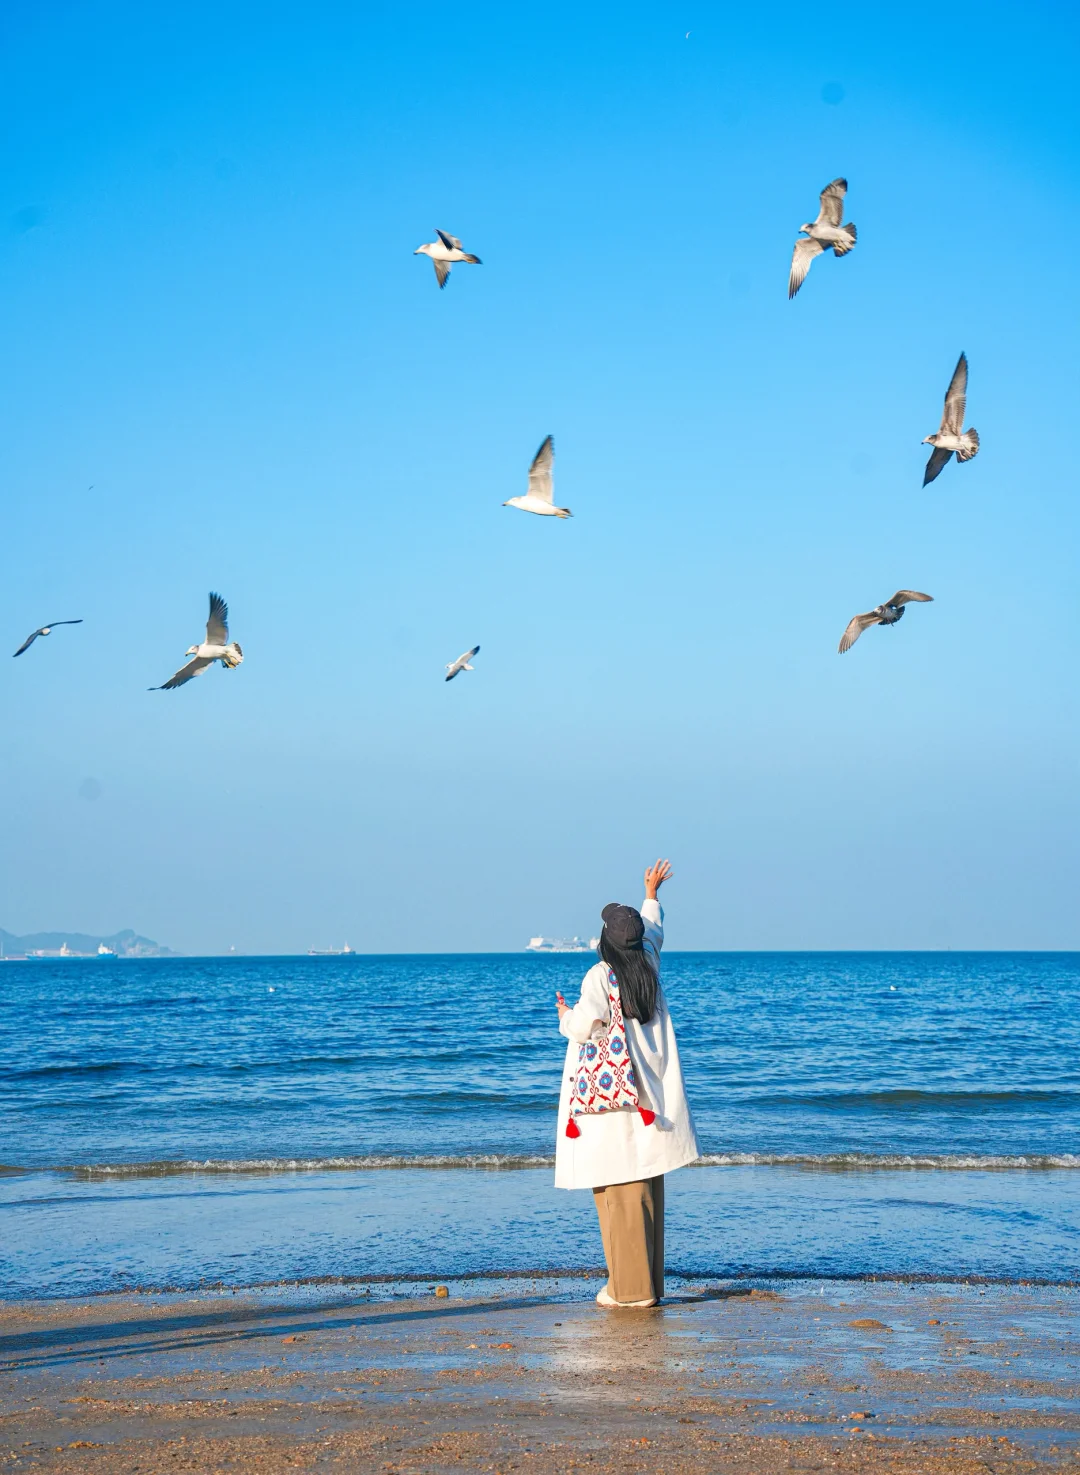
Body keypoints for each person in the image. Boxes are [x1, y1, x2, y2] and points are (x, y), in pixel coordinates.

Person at [554, 859, 699, 1308]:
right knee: (645, 1189)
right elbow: (653, 930)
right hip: (649, 1100)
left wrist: (564, 1017)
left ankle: (631, 1292)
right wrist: (652, 895)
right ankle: (646, 1284)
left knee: (617, 1190)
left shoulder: (601, 975)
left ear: (604, 943)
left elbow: (583, 1025)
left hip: (612, 1105)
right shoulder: (648, 966)